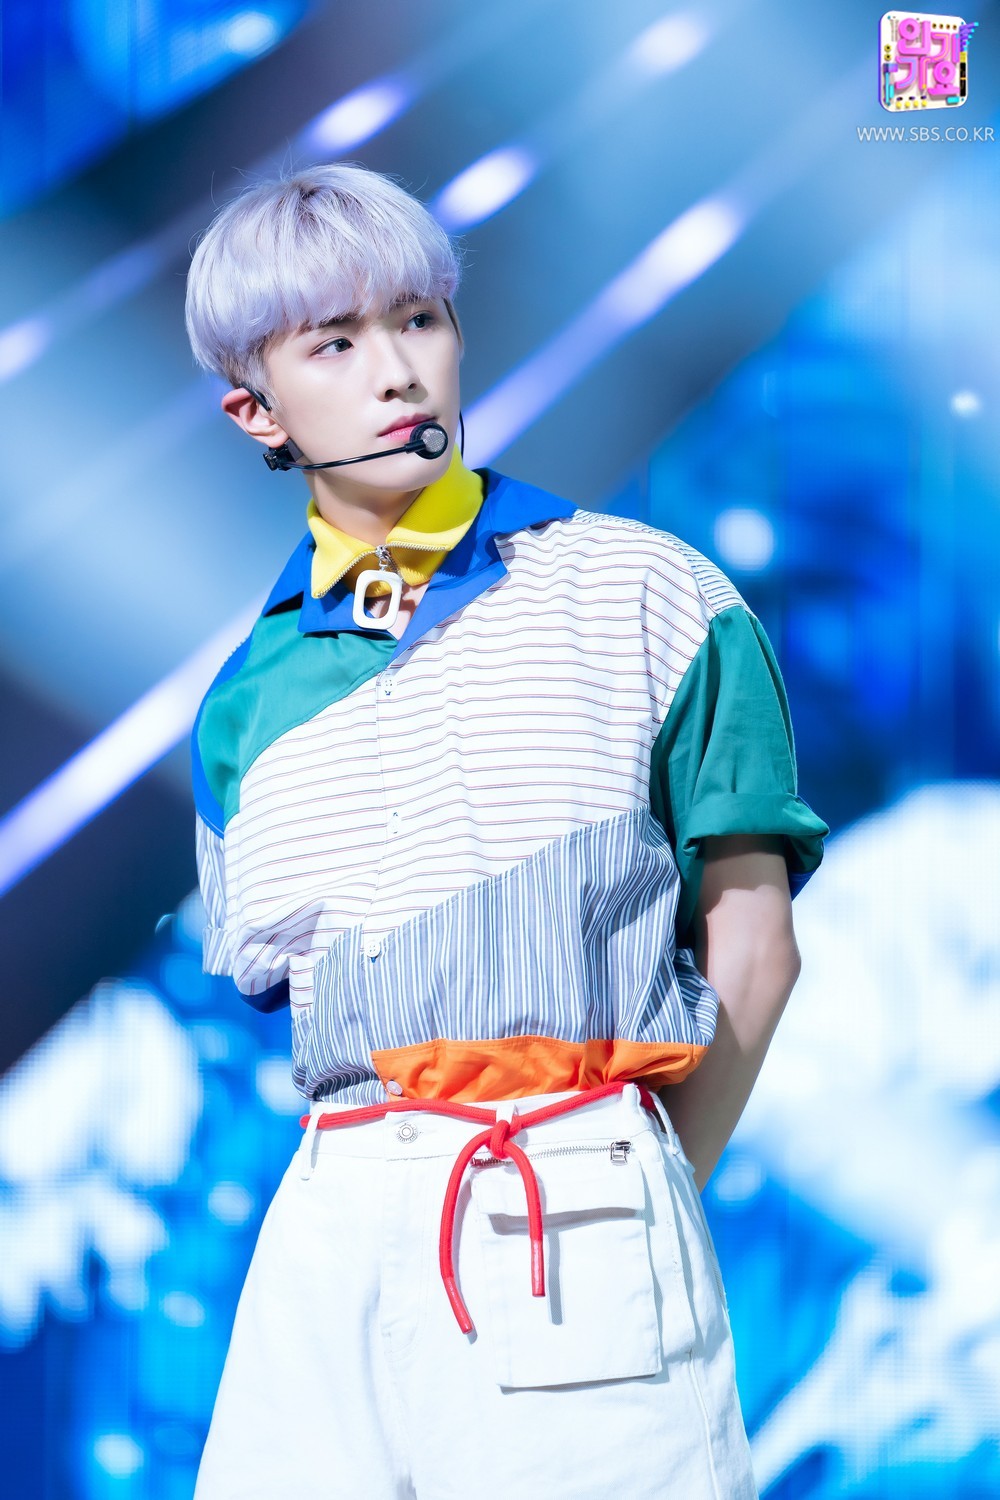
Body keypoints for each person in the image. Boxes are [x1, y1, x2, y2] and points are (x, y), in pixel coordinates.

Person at [185, 161, 829, 1499]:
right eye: (335, 343)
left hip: (572, 1190)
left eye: (419, 319)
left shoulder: (645, 591)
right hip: (329, 1227)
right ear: (256, 410)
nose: (398, 371)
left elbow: (755, 950)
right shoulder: (241, 706)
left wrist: (642, 1193)